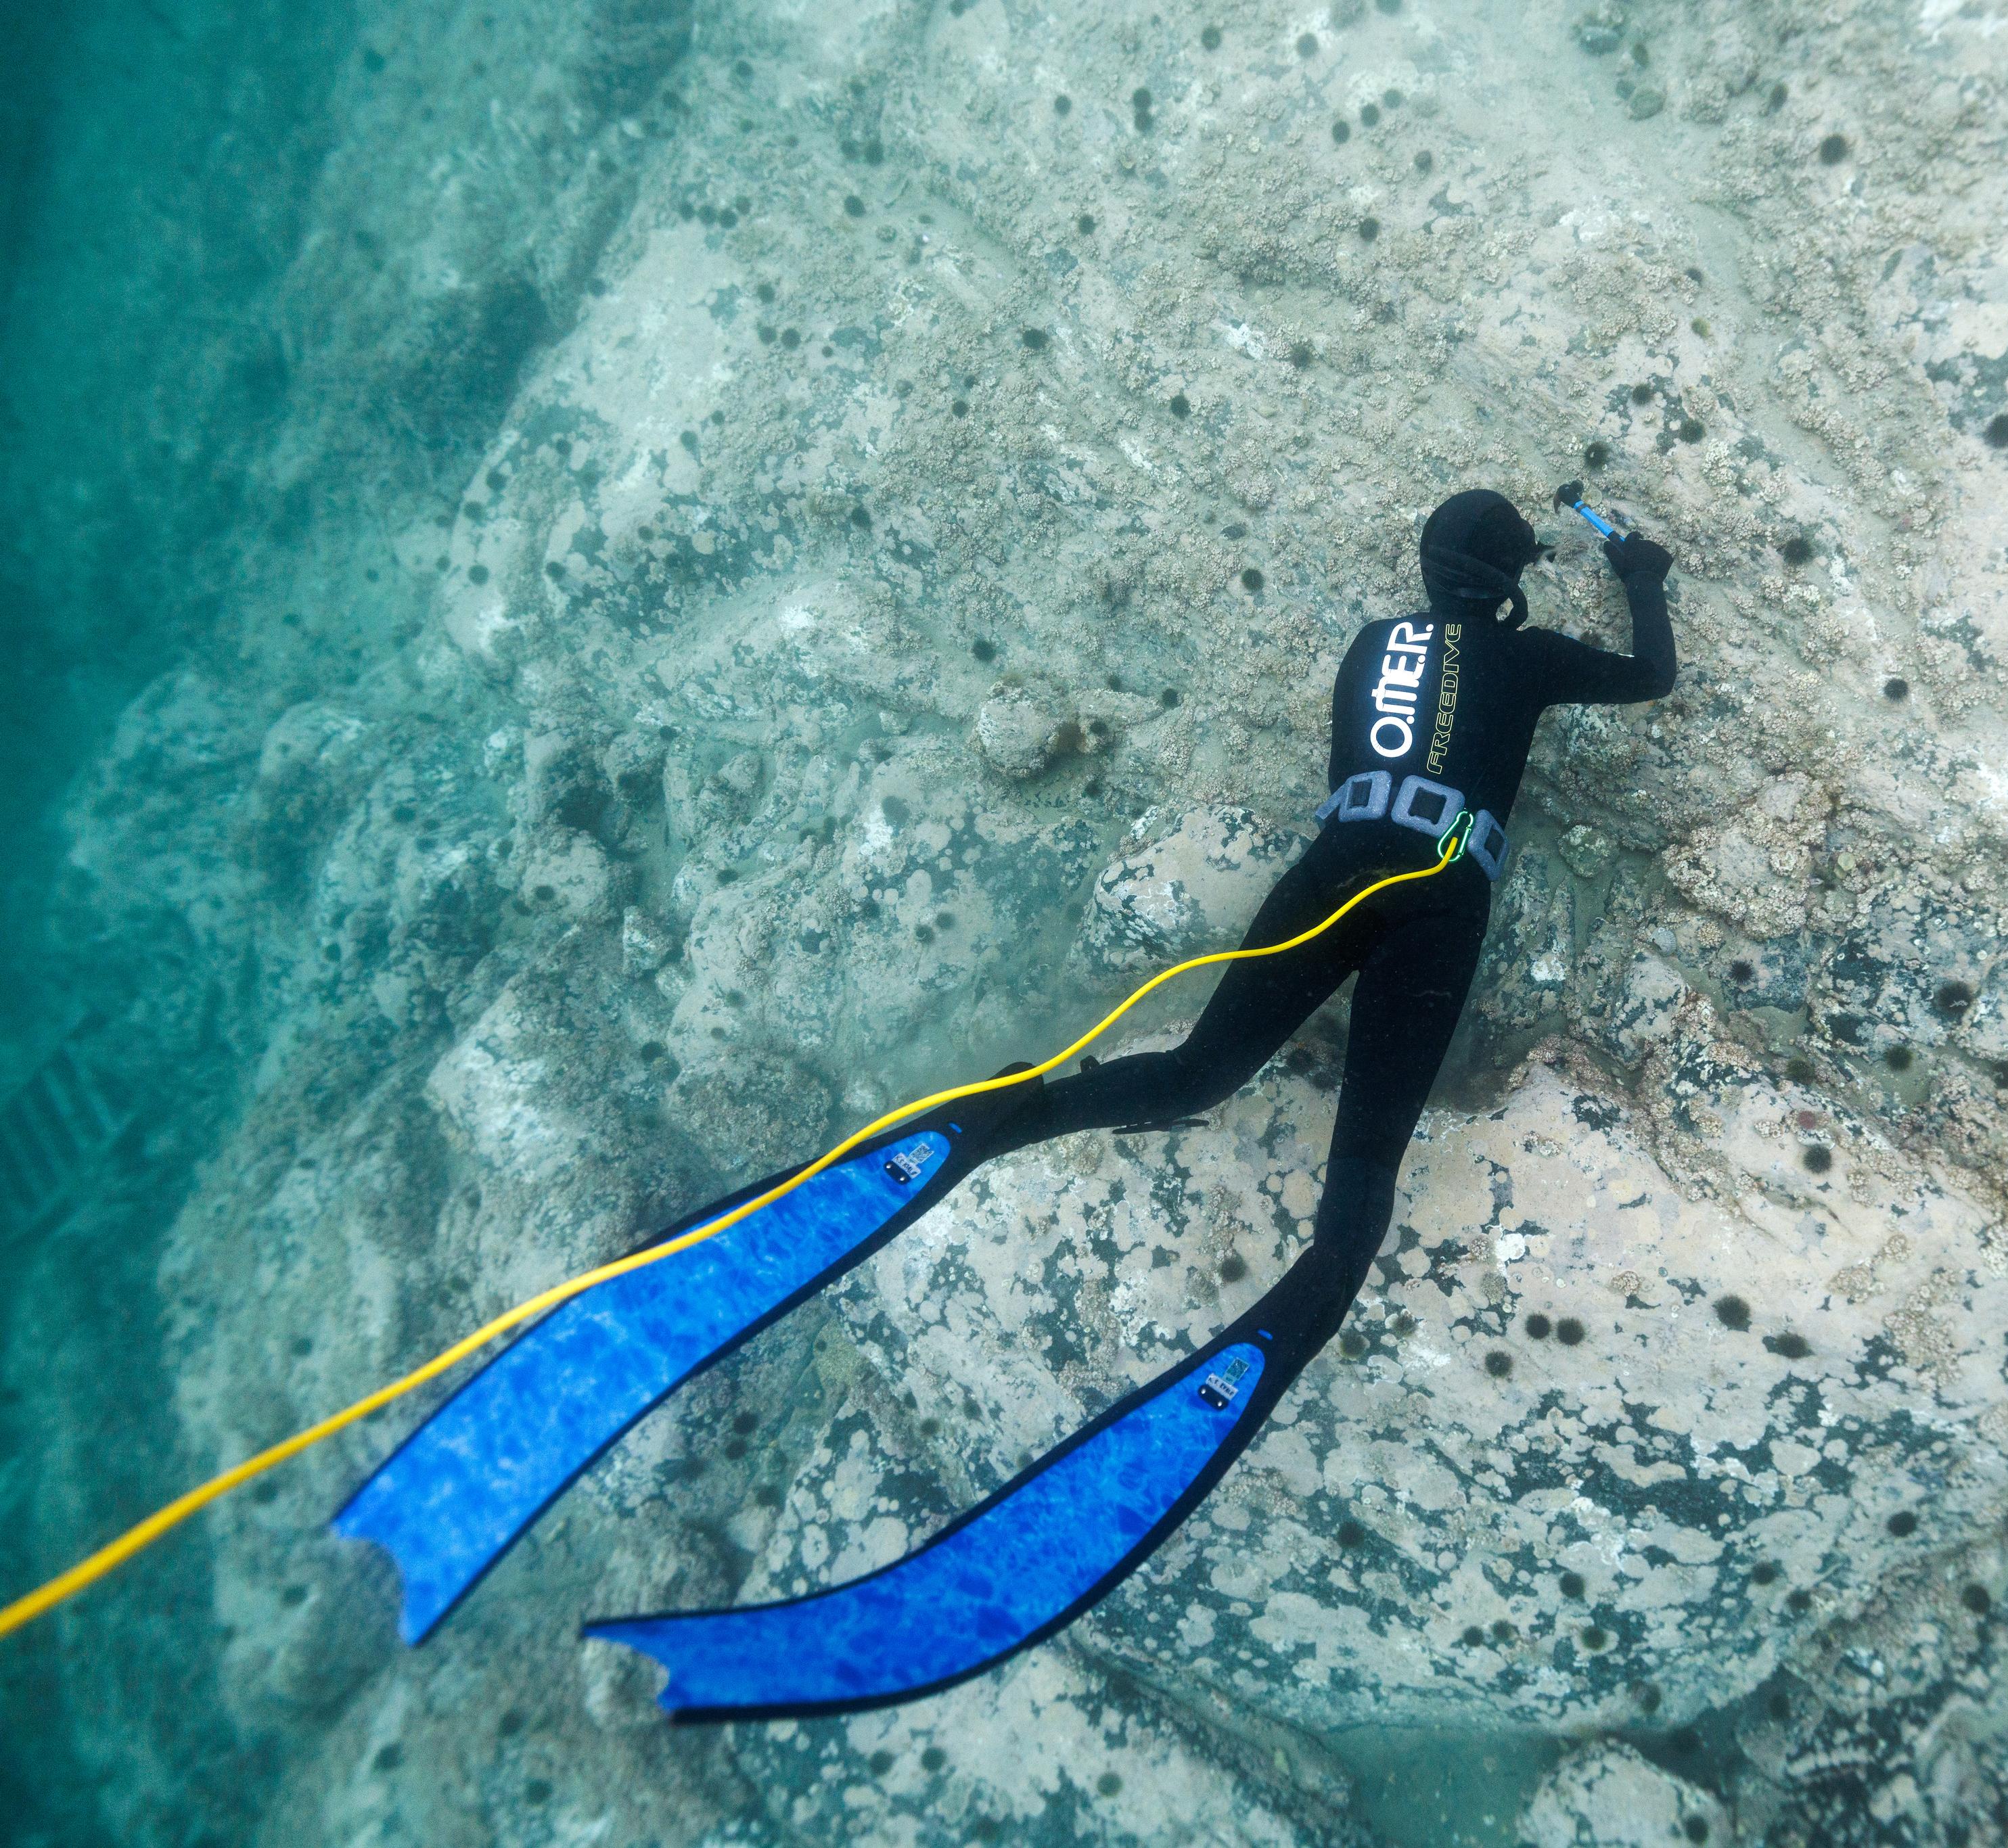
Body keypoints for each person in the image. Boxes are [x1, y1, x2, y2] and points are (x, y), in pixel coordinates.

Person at [336, 489, 1677, 1718]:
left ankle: (974, 1129)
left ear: (1421, 575)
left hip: (1331, 863)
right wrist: (1640, 570)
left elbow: (1404, 733)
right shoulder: (1526, 654)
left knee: (1182, 1079)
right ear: (1502, 588)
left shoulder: (1371, 645)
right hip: (1436, 893)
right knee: (1352, 1211)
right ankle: (1294, 1308)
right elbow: (1648, 677)